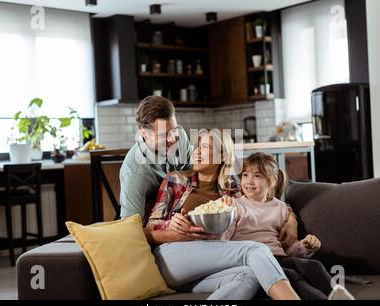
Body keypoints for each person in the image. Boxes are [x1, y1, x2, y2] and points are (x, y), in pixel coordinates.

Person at [120, 96, 299, 247]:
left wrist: (290, 219)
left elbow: (262, 201)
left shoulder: (230, 185)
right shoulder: (137, 174)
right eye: (163, 135)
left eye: (174, 130)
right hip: (167, 236)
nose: (173, 138)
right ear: (144, 134)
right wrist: (171, 231)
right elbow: (129, 232)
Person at [144, 129, 300, 300]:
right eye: (196, 147)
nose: (196, 152)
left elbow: (263, 202)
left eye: (205, 147)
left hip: (210, 264)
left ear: (223, 155)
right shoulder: (176, 180)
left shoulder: (233, 188)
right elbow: (148, 228)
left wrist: (291, 219)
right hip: (172, 258)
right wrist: (170, 226)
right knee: (255, 249)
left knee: (251, 275)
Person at [222, 152, 354, 300]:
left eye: (257, 176)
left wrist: (304, 246)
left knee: (313, 266)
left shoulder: (281, 208)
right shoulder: (235, 205)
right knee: (292, 276)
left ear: (271, 181)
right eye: (245, 175)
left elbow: (287, 248)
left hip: (279, 258)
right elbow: (224, 239)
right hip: (253, 262)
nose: (249, 181)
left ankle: (338, 295)